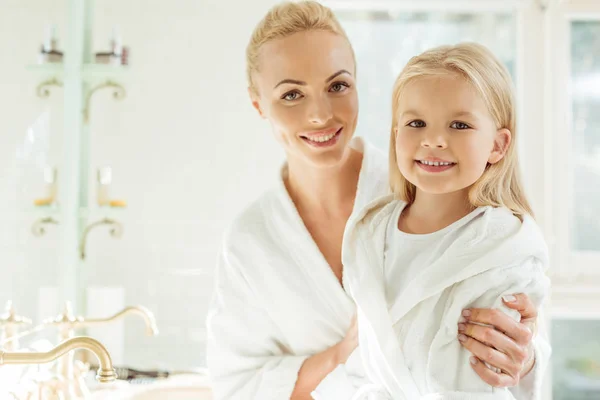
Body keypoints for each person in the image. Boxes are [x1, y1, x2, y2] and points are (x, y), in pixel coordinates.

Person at [206, 2, 549, 399]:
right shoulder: (251, 240)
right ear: (258, 104)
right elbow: (236, 384)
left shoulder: (434, 184)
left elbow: (522, 340)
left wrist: (521, 358)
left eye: (337, 86)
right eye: (291, 94)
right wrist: (349, 352)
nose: (320, 114)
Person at [311, 42, 551, 400]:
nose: (434, 140)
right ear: (396, 135)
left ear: (497, 146)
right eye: (416, 123)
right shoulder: (370, 231)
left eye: (459, 124)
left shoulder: (501, 245)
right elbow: (371, 353)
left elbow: (485, 372)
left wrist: (525, 358)